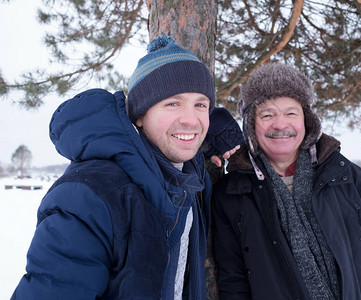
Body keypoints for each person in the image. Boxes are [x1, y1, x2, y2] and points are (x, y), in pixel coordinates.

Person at [12, 36, 242, 300]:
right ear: (140, 115)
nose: (191, 120)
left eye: (200, 104)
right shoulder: (89, 197)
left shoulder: (189, 177)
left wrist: (227, 145)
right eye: (172, 103)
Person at [211, 63, 361, 300]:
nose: (280, 124)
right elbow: (234, 283)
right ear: (251, 124)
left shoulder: (345, 175)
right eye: (267, 115)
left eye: (291, 113)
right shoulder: (232, 193)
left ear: (306, 119)